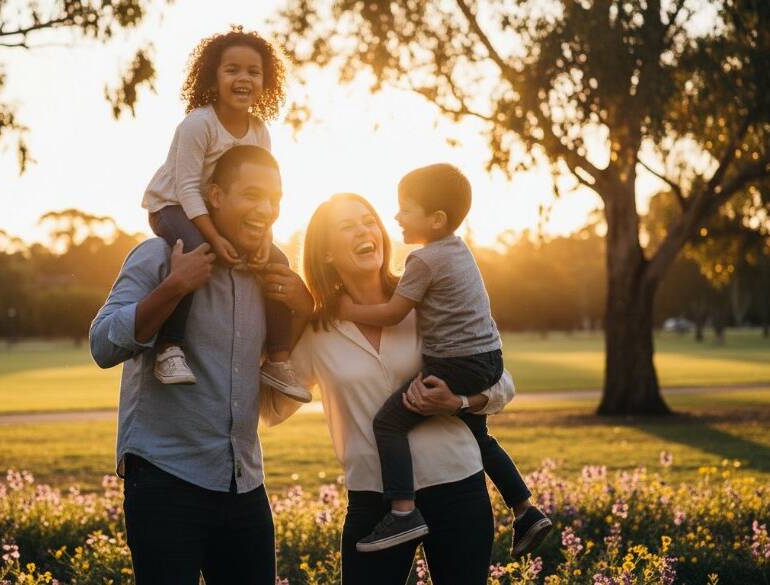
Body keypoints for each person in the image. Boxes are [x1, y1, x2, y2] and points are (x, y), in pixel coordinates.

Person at [261, 193, 515, 584]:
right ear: (326, 254)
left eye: (368, 220)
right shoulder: (318, 331)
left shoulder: (428, 299)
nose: (365, 230)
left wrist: (460, 400)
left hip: (457, 485)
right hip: (373, 500)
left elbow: (502, 382)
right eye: (348, 226)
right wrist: (295, 318)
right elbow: (271, 410)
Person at [90, 146, 305, 585]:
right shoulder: (157, 256)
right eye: (252, 194)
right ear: (214, 195)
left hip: (244, 484)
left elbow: (279, 386)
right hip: (166, 484)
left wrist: (304, 307)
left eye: (275, 199)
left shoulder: (269, 275)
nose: (266, 209)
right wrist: (173, 287)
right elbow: (102, 345)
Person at [335, 165, 551, 557]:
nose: (396, 217)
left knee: (388, 422)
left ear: (435, 220)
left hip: (454, 363)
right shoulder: (459, 249)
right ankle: (525, 509)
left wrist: (347, 308)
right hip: (488, 358)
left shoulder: (424, 260)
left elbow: (393, 313)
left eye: (405, 209)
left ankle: (402, 511)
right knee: (478, 436)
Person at [140, 27, 309, 402]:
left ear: (265, 82)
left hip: (215, 212)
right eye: (232, 69)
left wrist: (264, 240)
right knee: (198, 252)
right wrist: (215, 239)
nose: (243, 78)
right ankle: (169, 348)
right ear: (213, 77)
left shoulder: (260, 132)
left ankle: (278, 361)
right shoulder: (198, 124)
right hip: (171, 206)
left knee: (277, 261)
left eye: (253, 71)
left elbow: (263, 193)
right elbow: (186, 189)